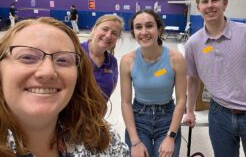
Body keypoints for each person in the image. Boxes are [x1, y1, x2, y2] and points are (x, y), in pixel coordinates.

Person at [0, 17, 129, 156]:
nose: (47, 72)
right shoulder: (82, 50)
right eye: (27, 57)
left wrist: (94, 120)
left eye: (62, 60)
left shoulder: (104, 142)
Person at [182, 0, 246, 157]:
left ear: (225, 3)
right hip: (219, 115)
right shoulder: (193, 44)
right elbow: (193, 79)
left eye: (215, 0)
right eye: (205, 1)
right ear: (198, 7)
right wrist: (189, 111)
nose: (210, 5)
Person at [120, 9, 186, 157]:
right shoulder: (127, 61)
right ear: (133, 32)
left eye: (149, 26)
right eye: (138, 27)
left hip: (167, 119)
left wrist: (171, 136)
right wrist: (135, 141)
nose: (144, 32)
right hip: (139, 120)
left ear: (159, 29)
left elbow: (182, 99)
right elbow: (125, 102)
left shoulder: (176, 59)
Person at [81, 14, 124, 101]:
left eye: (114, 33)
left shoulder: (112, 62)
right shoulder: (75, 52)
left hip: (97, 113)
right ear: (94, 29)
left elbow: (113, 85)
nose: (108, 35)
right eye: (105, 29)